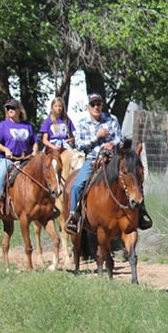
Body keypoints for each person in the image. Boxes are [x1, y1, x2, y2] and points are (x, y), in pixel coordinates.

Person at [65, 93, 152, 232]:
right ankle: (74, 216)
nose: (96, 107)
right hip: (93, 159)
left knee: (134, 179)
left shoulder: (111, 119)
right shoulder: (82, 123)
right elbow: (79, 145)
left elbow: (120, 139)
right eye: (93, 104)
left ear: (102, 105)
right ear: (88, 107)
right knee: (77, 185)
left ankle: (141, 212)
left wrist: (112, 143)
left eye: (98, 104)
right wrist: (96, 137)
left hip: (114, 159)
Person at [0, 99, 37, 218]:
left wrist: (35, 151)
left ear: (19, 110)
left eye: (13, 108)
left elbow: (34, 142)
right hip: (10, 159)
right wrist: (6, 150)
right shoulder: (3, 125)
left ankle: (46, 203)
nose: (10, 110)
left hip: (26, 159)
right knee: (0, 176)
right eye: (8, 108)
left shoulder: (27, 125)